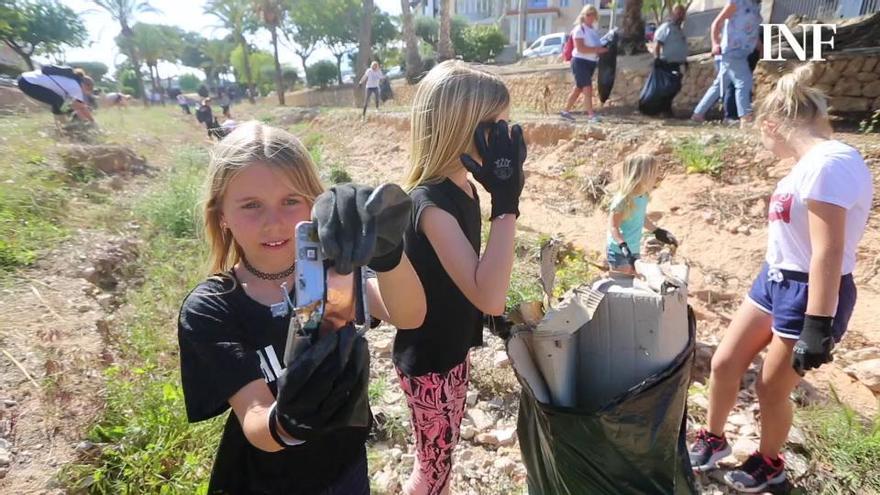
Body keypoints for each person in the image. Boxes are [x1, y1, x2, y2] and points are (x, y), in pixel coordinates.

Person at [178, 121, 426, 494]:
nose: (274, 223)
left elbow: (410, 315)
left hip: (346, 471)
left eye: (290, 201)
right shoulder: (212, 309)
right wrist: (287, 423)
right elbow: (255, 417)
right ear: (222, 215)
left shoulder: (336, 271)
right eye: (251, 206)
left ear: (314, 202)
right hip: (265, 482)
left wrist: (389, 254)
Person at [688, 65, 872, 492]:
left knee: (771, 388)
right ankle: (713, 440)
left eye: (761, 135)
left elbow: (827, 250)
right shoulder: (805, 166)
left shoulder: (831, 162)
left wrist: (819, 324)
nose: (765, 145)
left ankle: (771, 464)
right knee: (725, 362)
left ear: (771, 124)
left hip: (811, 289)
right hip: (773, 279)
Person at [397, 60, 526, 495]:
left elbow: (476, 282)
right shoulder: (431, 204)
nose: (504, 138)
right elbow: (489, 296)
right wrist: (506, 205)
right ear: (459, 126)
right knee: (431, 469)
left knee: (441, 459)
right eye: (495, 126)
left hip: (451, 351)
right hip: (430, 362)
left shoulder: (465, 187)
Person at [691, 0, 762, 126]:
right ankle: (745, 117)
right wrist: (715, 44)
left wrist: (761, 49)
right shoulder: (737, 2)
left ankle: (698, 114)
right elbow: (716, 24)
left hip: (743, 52)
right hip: (732, 51)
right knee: (744, 82)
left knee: (719, 86)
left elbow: (752, 33)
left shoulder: (755, 6)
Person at [606, 154, 678, 274]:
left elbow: (640, 217)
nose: (657, 175)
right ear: (643, 174)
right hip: (619, 251)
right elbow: (613, 227)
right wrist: (622, 246)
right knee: (623, 284)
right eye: (654, 172)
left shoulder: (643, 195)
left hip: (633, 248)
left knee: (633, 280)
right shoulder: (623, 199)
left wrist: (657, 231)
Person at [560, 5, 608, 123]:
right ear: (584, 16)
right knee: (587, 87)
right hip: (580, 61)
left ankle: (565, 111)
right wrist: (598, 50)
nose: (591, 17)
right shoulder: (578, 30)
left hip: (590, 63)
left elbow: (596, 46)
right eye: (588, 14)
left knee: (579, 88)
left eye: (593, 14)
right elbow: (581, 48)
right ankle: (591, 115)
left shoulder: (593, 30)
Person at [17, 66, 95, 129]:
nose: (84, 94)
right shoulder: (76, 87)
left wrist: (73, 112)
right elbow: (81, 107)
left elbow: (72, 105)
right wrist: (93, 122)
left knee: (61, 104)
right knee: (60, 103)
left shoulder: (72, 80)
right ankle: (64, 127)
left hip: (24, 79)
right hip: (28, 82)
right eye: (87, 91)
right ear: (86, 85)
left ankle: (61, 127)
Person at [652, 5, 688, 117]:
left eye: (682, 13)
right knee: (668, 88)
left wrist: (684, 60)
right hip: (666, 63)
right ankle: (662, 110)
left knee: (675, 87)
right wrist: (656, 58)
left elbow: (680, 46)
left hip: (676, 64)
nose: (680, 16)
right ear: (673, 14)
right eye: (678, 13)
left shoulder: (679, 29)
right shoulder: (666, 27)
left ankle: (666, 109)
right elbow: (657, 44)